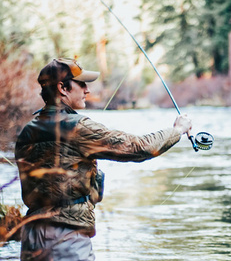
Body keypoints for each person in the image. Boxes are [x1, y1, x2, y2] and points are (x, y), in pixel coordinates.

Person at [15, 58, 192, 260]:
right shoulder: (78, 127)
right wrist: (177, 130)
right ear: (62, 88)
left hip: (30, 237)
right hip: (66, 239)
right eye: (81, 84)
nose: (86, 90)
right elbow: (141, 148)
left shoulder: (27, 131)